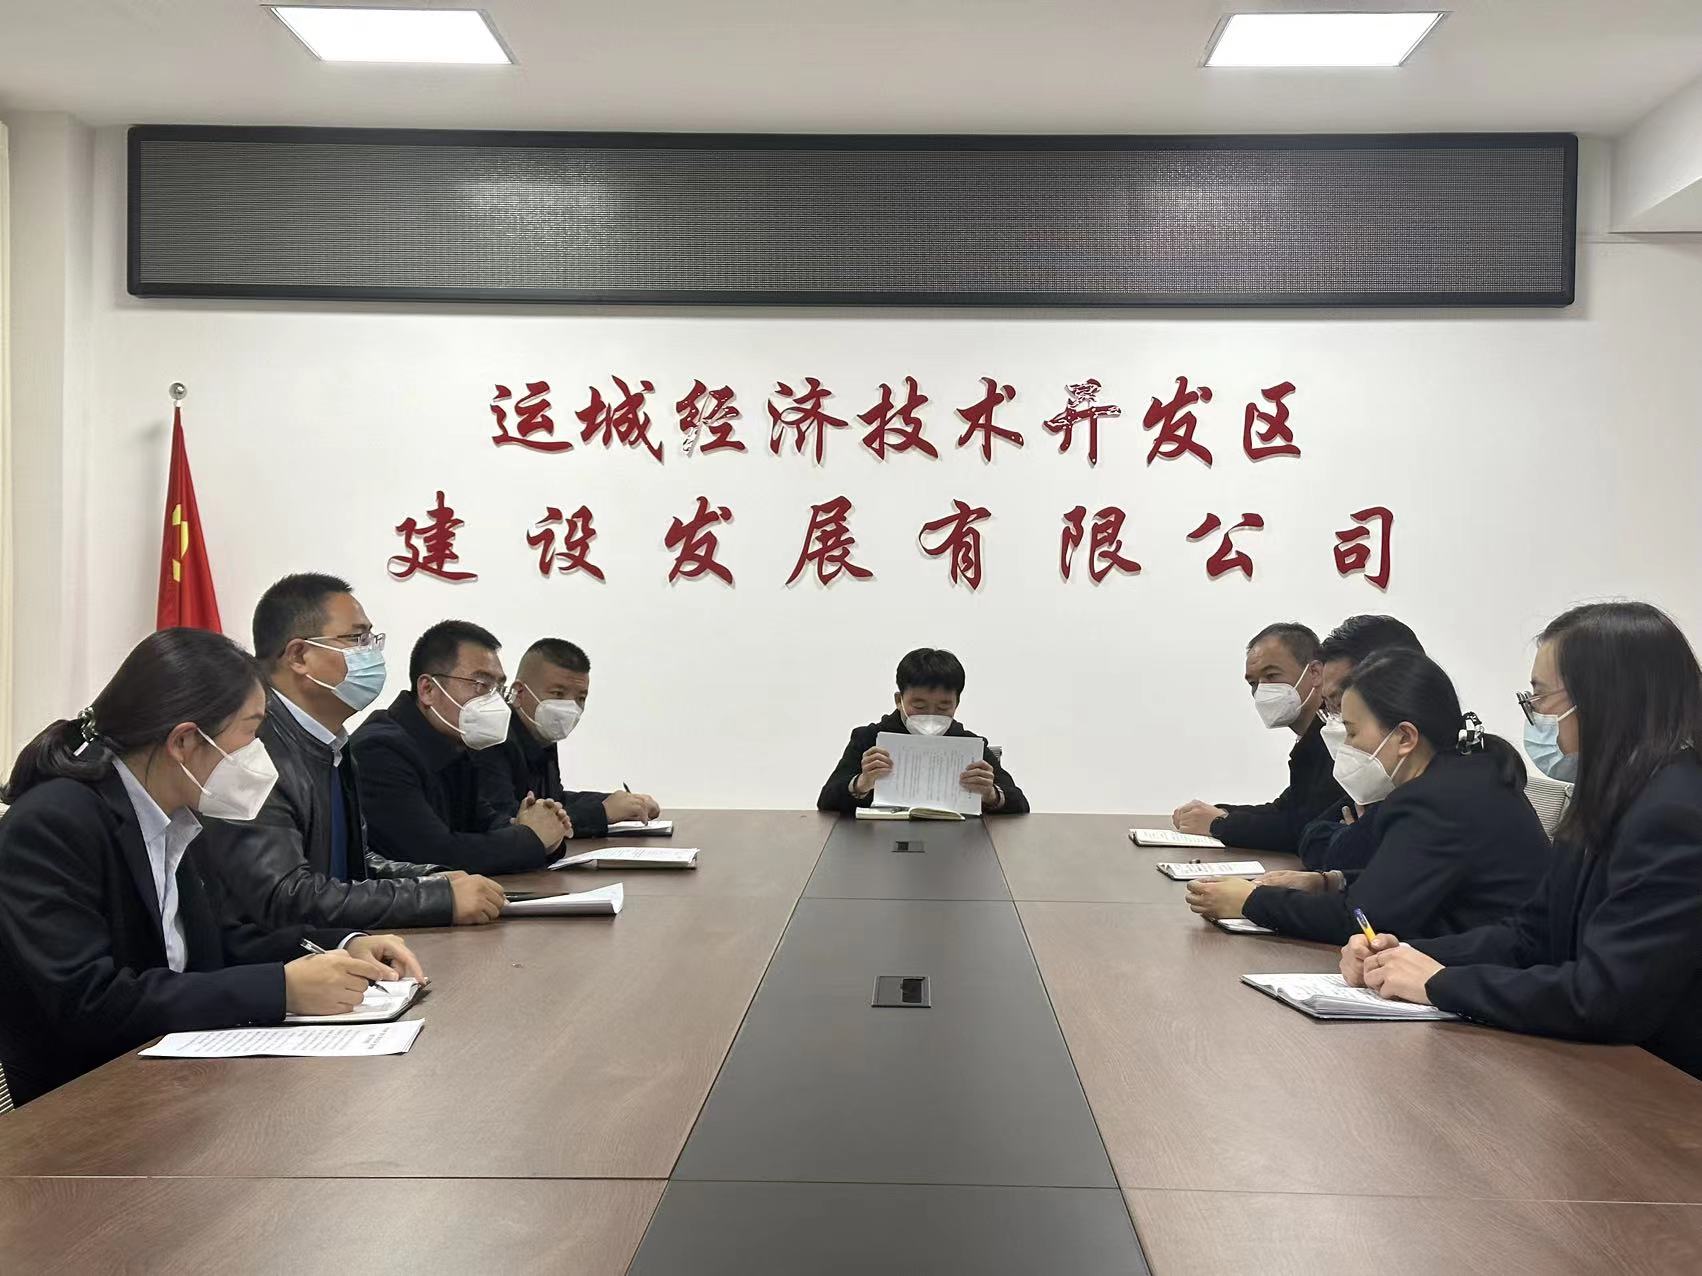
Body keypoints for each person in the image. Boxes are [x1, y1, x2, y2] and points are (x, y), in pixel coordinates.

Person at [0, 628, 425, 1107]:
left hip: (174, 1084)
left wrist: (344, 944)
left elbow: (219, 943)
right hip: (83, 1105)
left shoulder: (176, 813)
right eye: (250, 731)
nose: (259, 753)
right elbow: (91, 1003)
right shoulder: (54, 822)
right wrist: (280, 990)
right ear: (185, 740)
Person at [1345, 602, 1702, 1081]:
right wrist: (1405, 956)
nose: (1535, 714)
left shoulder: (1675, 812)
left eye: (1541, 696)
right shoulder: (1610, 794)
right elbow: (1531, 935)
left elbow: (1604, 996)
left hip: (1661, 1087)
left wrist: (1440, 983)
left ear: (1602, 698)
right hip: (1596, 1066)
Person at [200, 574, 505, 932]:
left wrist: (434, 880)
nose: (372, 653)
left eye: (372, 639)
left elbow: (350, 866)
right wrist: (435, 899)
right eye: (357, 639)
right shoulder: (251, 749)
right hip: (281, 960)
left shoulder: (331, 743)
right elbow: (285, 897)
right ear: (299, 656)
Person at [1186, 649, 1549, 944]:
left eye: (1353, 732)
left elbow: (1361, 918)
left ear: (1405, 738)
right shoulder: (1466, 775)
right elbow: (1404, 882)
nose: (1346, 746)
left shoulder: (1437, 800)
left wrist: (1251, 901)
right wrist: (1330, 882)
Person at [351, 620, 570, 875]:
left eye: (498, 688)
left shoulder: (455, 745)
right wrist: (531, 838)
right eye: (481, 685)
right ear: (428, 689)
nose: (495, 701)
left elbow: (485, 823)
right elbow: (434, 855)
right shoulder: (380, 751)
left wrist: (541, 829)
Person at [1173, 623, 1343, 852]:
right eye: (1253, 683)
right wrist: (1220, 812)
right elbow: (1284, 809)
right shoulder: (1310, 739)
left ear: (1314, 673)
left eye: (1271, 676)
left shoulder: (1336, 738)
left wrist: (1219, 824)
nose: (1261, 690)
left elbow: (1304, 827)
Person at [478, 638, 661, 837]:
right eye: (558, 694)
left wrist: (623, 803)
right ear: (519, 693)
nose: (570, 707)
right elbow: (510, 821)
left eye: (581, 698)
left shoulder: (541, 736)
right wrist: (603, 812)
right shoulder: (493, 739)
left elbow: (555, 801)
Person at [817, 648, 1029, 815]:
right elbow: (826, 801)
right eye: (919, 706)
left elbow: (1020, 804)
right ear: (899, 700)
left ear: (957, 704)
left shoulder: (969, 746)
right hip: (879, 839)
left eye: (943, 707)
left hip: (956, 842)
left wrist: (990, 794)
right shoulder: (869, 738)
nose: (931, 715)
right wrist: (861, 783)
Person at [1293, 615, 1426, 875]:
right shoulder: (1377, 776)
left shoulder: (1439, 789)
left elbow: (1348, 857)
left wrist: (1355, 837)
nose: (1337, 721)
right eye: (1330, 706)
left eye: (1339, 701)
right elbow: (1311, 837)